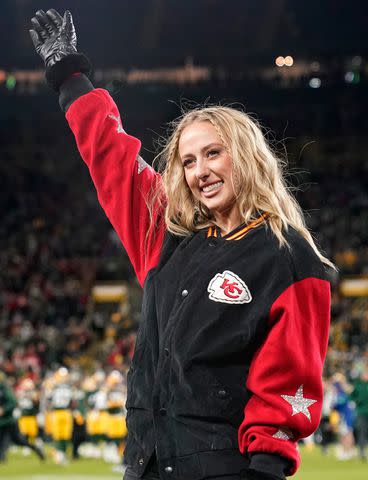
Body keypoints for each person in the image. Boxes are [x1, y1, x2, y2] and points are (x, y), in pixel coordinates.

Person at [29, 9, 333, 479]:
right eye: (188, 161)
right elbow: (111, 157)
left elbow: (288, 379)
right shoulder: (165, 236)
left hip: (225, 468)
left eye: (213, 153)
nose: (200, 171)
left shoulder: (288, 255)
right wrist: (71, 77)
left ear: (247, 156)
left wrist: (266, 466)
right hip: (145, 462)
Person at [0, 372, 45, 462]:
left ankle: (36, 449)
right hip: (3, 421)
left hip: (8, 421)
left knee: (18, 440)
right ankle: (2, 457)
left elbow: (12, 402)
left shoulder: (4, 389)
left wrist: (4, 409)